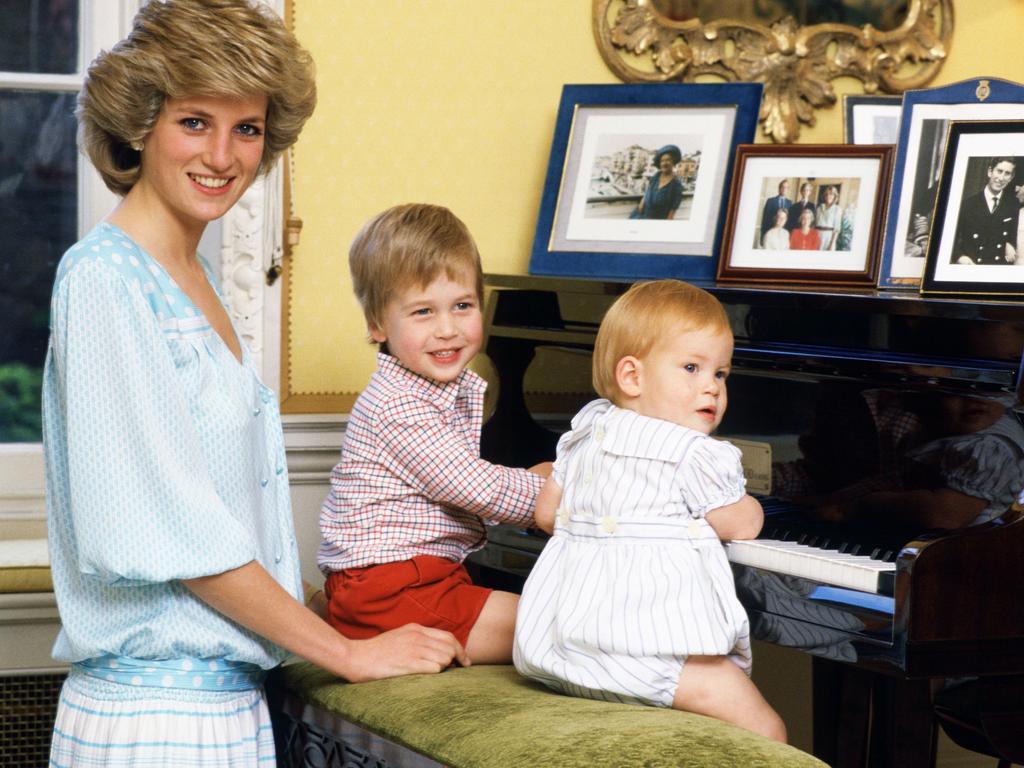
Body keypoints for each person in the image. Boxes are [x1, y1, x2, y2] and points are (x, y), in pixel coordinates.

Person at [44, 3, 466, 765]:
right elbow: (174, 535)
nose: (224, 154)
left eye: (247, 129)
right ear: (139, 124)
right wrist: (347, 652)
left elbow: (230, 503)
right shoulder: (104, 280)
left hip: (226, 704)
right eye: (195, 121)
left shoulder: (194, 274)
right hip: (156, 718)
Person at [513, 280, 787, 743]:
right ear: (632, 376)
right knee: (767, 730)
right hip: (652, 657)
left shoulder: (586, 431)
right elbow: (741, 525)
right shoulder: (695, 453)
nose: (711, 387)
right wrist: (754, 505)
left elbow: (545, 514)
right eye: (691, 367)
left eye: (721, 373)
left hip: (561, 648)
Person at [318, 203, 552, 665]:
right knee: (558, 627)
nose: (448, 329)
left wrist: (535, 484)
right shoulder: (399, 404)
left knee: (554, 619)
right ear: (377, 325)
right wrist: (548, 492)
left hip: (418, 579)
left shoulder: (430, 389)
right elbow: (472, 486)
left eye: (463, 305)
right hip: (390, 589)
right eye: (423, 311)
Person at [952, 157, 1019, 265]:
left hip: (998, 267)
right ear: (990, 172)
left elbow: (1013, 234)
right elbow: (950, 239)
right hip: (972, 265)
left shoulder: (1013, 204)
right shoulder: (967, 204)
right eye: (999, 171)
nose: (1001, 178)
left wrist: (1010, 244)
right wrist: (960, 256)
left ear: (1011, 178)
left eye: (1007, 173)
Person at [630, 144, 685, 220]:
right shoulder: (655, 177)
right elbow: (646, 195)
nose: (664, 163)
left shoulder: (677, 185)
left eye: (668, 160)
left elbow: (672, 212)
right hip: (642, 216)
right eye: (662, 161)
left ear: (673, 162)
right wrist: (639, 211)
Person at [815, 185, 842, 250]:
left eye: (831, 194)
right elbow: (815, 223)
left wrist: (832, 243)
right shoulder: (819, 208)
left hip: (828, 237)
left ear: (835, 196)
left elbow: (837, 229)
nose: (828, 196)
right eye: (826, 194)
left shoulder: (837, 209)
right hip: (817, 235)